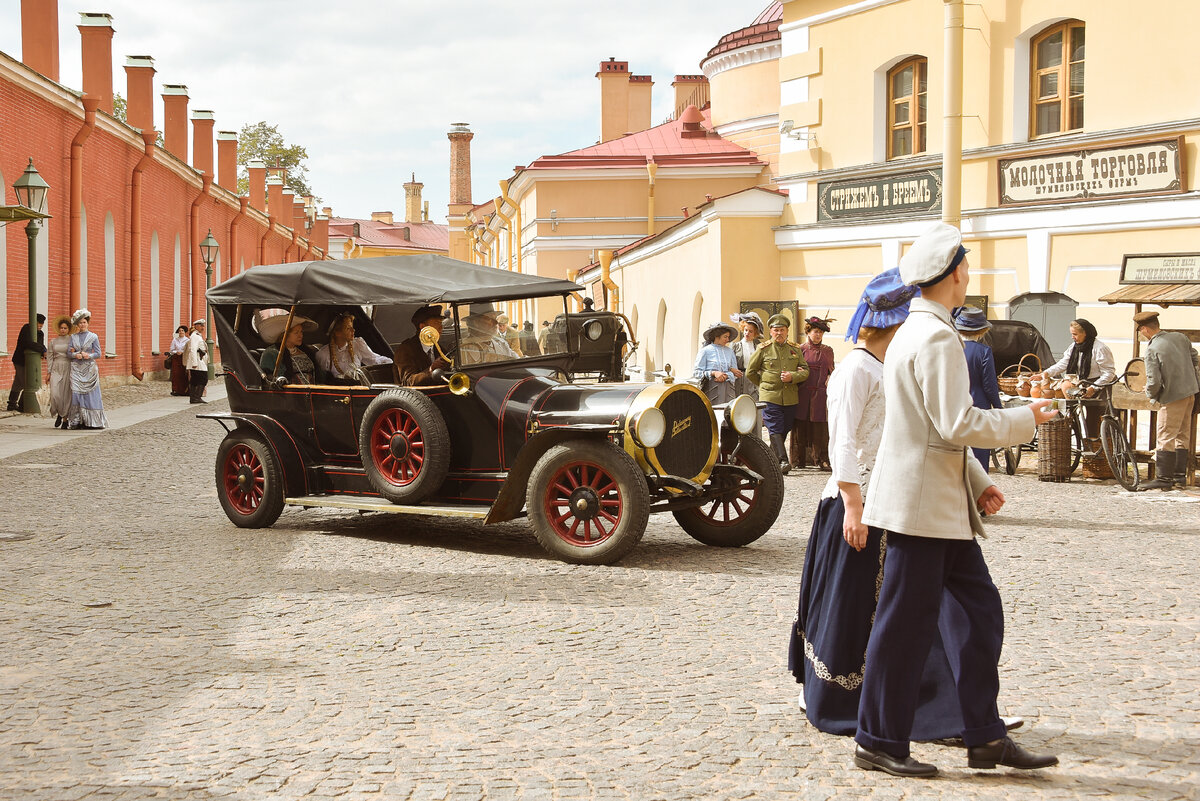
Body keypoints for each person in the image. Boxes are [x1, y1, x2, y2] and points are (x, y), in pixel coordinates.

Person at [853, 223, 1058, 778]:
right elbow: (955, 423)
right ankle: (878, 740)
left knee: (977, 614)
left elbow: (923, 429)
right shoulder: (937, 337)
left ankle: (984, 736)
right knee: (907, 627)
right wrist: (1025, 418)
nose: (969, 276)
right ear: (954, 274)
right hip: (923, 509)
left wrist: (975, 482)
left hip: (934, 505)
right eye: (965, 268)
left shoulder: (914, 334)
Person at [1135, 310, 1200, 489]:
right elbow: (1194, 358)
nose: (1141, 333)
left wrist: (1150, 395)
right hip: (1190, 393)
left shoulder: (1152, 349)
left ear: (1145, 329)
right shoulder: (1180, 337)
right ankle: (1179, 477)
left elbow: (1154, 381)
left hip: (1172, 396)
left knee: (1165, 435)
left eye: (1140, 330)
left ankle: (1164, 479)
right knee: (1182, 434)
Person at [1033, 318, 1114, 444]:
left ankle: (1094, 446)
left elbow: (1109, 373)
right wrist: (1046, 373)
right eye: (1072, 334)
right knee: (1069, 400)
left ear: (1085, 333)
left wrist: (1094, 388)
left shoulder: (1100, 348)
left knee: (1093, 419)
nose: (1072, 337)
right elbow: (1063, 364)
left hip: (1098, 386)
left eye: (1075, 334)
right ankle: (1073, 429)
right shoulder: (1074, 347)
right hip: (1081, 384)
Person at [747, 314, 809, 476]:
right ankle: (783, 461)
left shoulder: (795, 349)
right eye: (776, 330)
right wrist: (764, 384)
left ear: (787, 331)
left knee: (785, 427)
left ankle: (768, 457)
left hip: (790, 397)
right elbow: (750, 372)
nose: (779, 333)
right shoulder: (763, 349)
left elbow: (805, 371)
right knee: (774, 427)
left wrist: (793, 377)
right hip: (770, 396)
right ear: (771, 332)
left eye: (782, 330)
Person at [954, 307, 1004, 473]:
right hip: (979, 407)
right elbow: (990, 385)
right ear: (981, 331)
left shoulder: (951, 349)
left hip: (954, 406)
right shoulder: (984, 351)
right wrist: (998, 408)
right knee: (979, 459)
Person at [791, 316, 835, 470]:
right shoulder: (800, 349)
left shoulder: (828, 351)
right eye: (816, 332)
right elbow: (794, 369)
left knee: (820, 428)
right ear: (808, 332)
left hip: (820, 394)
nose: (818, 335)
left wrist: (830, 377)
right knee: (800, 426)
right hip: (803, 393)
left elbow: (831, 370)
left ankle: (823, 459)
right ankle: (797, 460)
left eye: (821, 333)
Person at [316, 312, 393, 386]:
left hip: (358, 388)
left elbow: (375, 360)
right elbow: (323, 381)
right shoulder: (324, 354)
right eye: (348, 328)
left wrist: (392, 363)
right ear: (337, 333)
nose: (353, 330)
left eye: (352, 327)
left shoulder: (357, 344)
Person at [65, 309, 108, 429]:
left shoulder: (93, 337)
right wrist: (75, 355)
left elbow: (98, 353)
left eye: (84, 322)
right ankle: (77, 421)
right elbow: (69, 353)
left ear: (87, 323)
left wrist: (89, 355)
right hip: (76, 369)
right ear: (77, 325)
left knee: (90, 394)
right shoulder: (73, 337)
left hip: (89, 369)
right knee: (76, 394)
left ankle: (92, 421)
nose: (82, 325)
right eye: (80, 323)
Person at [258, 310, 320, 385]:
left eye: (301, 332)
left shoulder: (306, 351)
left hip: (313, 391)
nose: (301, 335)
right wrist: (278, 379)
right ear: (285, 335)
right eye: (296, 333)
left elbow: (319, 374)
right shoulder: (271, 353)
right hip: (289, 394)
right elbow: (267, 376)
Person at [394, 304, 450, 386]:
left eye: (441, 323)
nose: (441, 327)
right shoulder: (405, 349)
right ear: (423, 327)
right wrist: (431, 370)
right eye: (436, 323)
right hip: (414, 397)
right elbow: (408, 382)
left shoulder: (440, 349)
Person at [730, 312, 765, 440]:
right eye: (745, 330)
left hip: (754, 380)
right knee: (739, 410)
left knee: (755, 409)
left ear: (755, 333)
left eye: (750, 331)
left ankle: (757, 442)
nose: (747, 333)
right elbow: (729, 363)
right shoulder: (735, 346)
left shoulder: (759, 347)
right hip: (740, 379)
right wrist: (733, 371)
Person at [692, 321, 740, 406]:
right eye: (725, 337)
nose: (727, 340)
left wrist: (726, 375)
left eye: (728, 337)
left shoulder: (730, 351)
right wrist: (714, 373)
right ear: (717, 337)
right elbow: (696, 373)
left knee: (729, 415)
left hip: (728, 391)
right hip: (712, 390)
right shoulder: (705, 351)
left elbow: (734, 372)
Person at [6, 313, 46, 412]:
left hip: (31, 362)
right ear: (34, 322)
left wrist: (42, 351)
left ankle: (11, 404)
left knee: (18, 383)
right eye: (38, 324)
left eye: (42, 325)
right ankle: (22, 405)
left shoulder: (40, 333)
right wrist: (42, 350)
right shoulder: (26, 328)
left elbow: (40, 344)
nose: (40, 326)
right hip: (20, 360)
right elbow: (27, 343)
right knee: (27, 382)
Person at [46, 315, 73, 428]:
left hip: (67, 367)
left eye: (65, 328)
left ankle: (65, 419)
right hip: (56, 368)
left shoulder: (72, 340)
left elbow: (74, 355)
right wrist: (48, 372)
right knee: (55, 393)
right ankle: (58, 412)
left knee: (66, 394)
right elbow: (50, 357)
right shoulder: (53, 342)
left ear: (68, 329)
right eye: (61, 328)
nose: (63, 330)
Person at [184, 319, 209, 404]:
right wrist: (194, 363)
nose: (203, 327)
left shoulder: (197, 335)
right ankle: (196, 397)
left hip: (199, 360)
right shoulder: (195, 336)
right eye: (201, 325)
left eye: (203, 325)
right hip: (198, 361)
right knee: (203, 379)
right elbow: (193, 349)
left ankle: (194, 398)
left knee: (195, 379)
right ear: (196, 326)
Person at [168, 325, 191, 396]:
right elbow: (171, 350)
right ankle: (176, 390)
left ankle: (184, 390)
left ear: (185, 332)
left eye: (182, 331)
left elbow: (188, 349)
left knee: (184, 374)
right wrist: (176, 352)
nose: (181, 332)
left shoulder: (187, 340)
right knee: (176, 374)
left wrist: (183, 352)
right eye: (179, 331)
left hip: (184, 358)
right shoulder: (175, 340)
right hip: (176, 358)